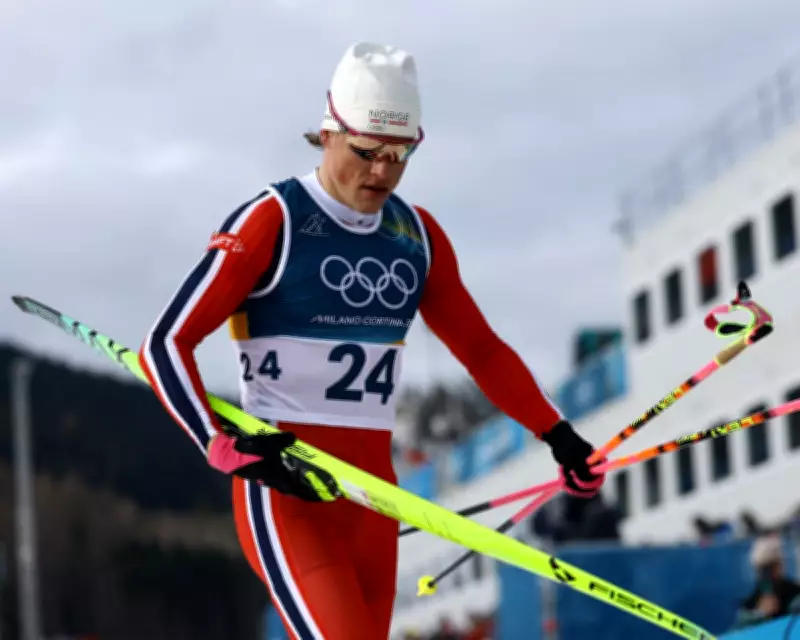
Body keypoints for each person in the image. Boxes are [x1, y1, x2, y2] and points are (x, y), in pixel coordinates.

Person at [138, 41, 606, 640]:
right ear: (329, 130)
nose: (382, 172)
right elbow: (166, 342)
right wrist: (218, 442)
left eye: (400, 154)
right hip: (288, 491)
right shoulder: (271, 220)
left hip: (374, 499)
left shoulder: (416, 235)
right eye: (366, 152)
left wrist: (558, 435)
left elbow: (482, 350)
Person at [733, 533, 800, 630]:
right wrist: (760, 614)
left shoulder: (793, 594)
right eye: (763, 570)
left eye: (770, 568)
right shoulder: (751, 604)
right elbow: (738, 630)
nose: (767, 575)